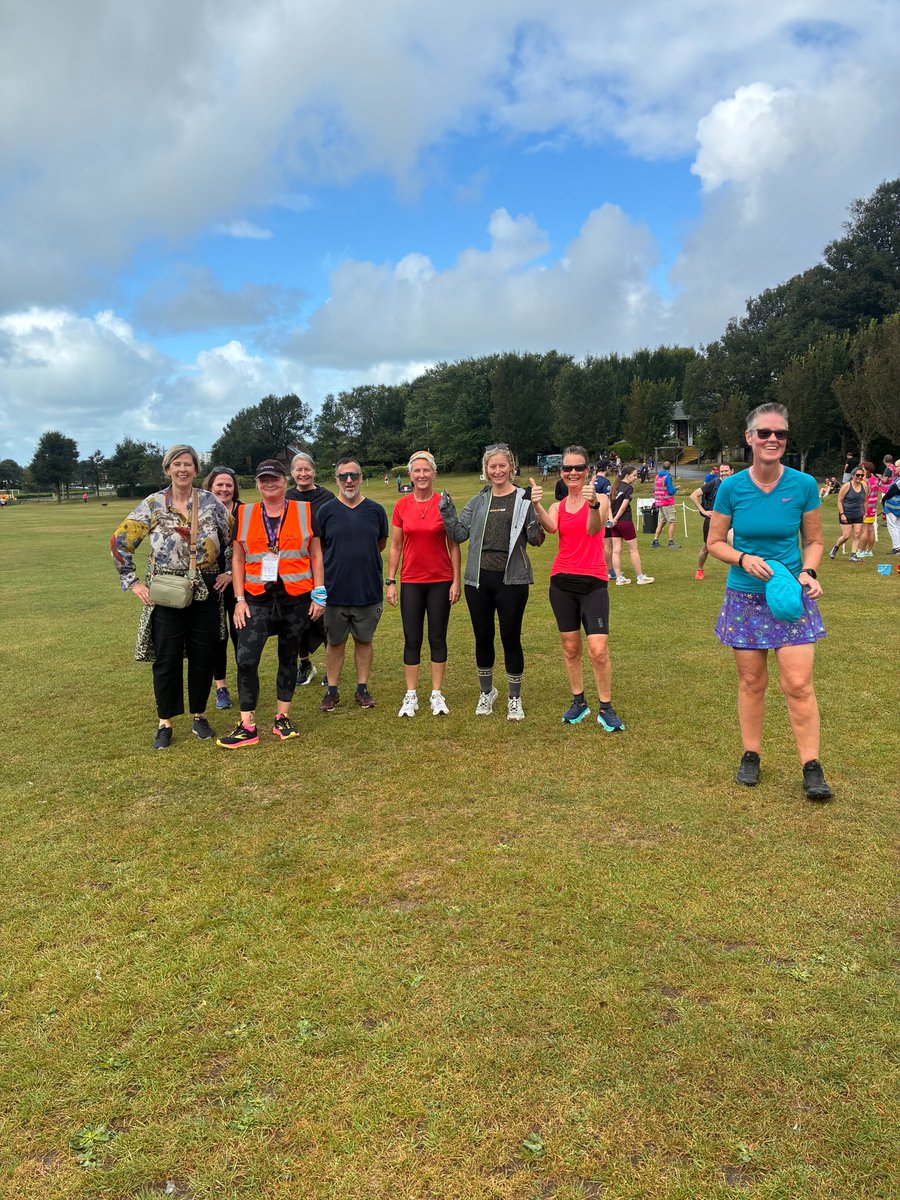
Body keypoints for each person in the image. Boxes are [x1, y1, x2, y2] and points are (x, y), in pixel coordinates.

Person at [707, 403, 832, 801]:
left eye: (780, 434)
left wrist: (808, 573)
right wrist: (743, 558)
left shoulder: (803, 484)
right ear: (749, 439)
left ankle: (811, 767)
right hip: (745, 597)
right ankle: (751, 755)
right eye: (764, 433)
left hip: (789, 596)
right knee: (751, 682)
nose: (772, 439)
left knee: (797, 683)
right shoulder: (731, 487)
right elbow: (714, 544)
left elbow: (813, 540)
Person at [111, 444, 230, 750]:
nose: (182, 469)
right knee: (167, 656)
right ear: (167, 470)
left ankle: (200, 715)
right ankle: (165, 721)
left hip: (204, 586)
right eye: (176, 464)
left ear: (196, 470)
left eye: (188, 464)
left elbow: (231, 540)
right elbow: (120, 541)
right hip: (166, 589)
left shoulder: (211, 502)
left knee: (204, 656)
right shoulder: (152, 504)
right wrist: (134, 583)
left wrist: (228, 572)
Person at [217, 460, 324, 748]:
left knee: (288, 658)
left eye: (274, 478)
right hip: (255, 599)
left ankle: (282, 717)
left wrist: (319, 592)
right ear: (257, 483)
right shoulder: (245, 513)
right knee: (246, 659)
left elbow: (315, 555)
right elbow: (238, 558)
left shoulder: (305, 511)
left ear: (285, 481)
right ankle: (247, 725)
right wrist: (239, 599)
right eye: (264, 479)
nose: (269, 483)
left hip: (295, 597)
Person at [440, 443, 544, 720]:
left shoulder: (524, 497)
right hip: (478, 580)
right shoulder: (478, 501)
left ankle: (514, 697)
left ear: (511, 466)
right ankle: (487, 692)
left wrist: (534, 512)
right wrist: (447, 511)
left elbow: (537, 540)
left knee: (511, 637)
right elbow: (459, 534)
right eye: (492, 466)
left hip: (512, 580)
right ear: (485, 470)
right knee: (483, 637)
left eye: (502, 465)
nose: (497, 471)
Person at [530, 448, 625, 730]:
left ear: (587, 471)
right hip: (562, 582)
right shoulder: (558, 506)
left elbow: (594, 530)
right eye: (567, 468)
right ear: (561, 472)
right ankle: (579, 701)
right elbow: (550, 528)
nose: (573, 473)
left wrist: (594, 505)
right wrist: (536, 506)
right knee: (571, 647)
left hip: (593, 582)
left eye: (579, 468)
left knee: (598, 649)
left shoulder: (602, 499)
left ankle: (605, 707)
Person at [386, 452, 461, 716]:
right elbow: (395, 546)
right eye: (417, 471)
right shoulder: (401, 505)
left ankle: (436, 694)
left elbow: (454, 545)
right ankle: (411, 695)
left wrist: (456, 581)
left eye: (426, 471)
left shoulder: (444, 504)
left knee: (437, 637)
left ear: (434, 474)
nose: (421, 475)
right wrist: (391, 580)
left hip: (440, 580)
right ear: (410, 475)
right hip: (411, 581)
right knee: (412, 638)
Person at [317, 459, 389, 712]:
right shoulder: (325, 511)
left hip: (367, 590)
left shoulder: (376, 510)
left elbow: (380, 543)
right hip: (335, 590)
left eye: (354, 475)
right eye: (344, 476)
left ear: (360, 478)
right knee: (335, 642)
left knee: (364, 640)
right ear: (336, 479)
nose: (349, 480)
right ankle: (332, 691)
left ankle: (362, 689)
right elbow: (322, 549)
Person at [286, 452, 335, 686]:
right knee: (298, 620)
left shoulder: (327, 497)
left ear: (314, 471)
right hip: (295, 568)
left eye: (307, 469)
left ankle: (331, 667)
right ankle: (305, 664)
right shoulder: (286, 498)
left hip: (323, 567)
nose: (303, 474)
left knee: (325, 618)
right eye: (298, 470)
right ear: (292, 473)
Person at [203, 466, 242, 709]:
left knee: (241, 634)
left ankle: (246, 681)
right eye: (219, 485)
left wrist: (230, 573)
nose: (224, 489)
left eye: (228, 485)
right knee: (217, 637)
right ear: (209, 487)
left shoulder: (245, 512)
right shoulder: (200, 511)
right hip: (210, 584)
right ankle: (222, 688)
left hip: (239, 582)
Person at [609, 465, 654, 585]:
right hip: (624, 522)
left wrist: (611, 520)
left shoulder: (614, 487)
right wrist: (616, 518)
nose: (636, 477)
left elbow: (609, 505)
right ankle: (640, 577)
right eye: (634, 475)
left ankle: (619, 578)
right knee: (633, 550)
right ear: (627, 476)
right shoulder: (628, 488)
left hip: (614, 524)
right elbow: (623, 506)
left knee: (616, 551)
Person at [691, 463, 733, 579]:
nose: (724, 473)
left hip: (731, 520)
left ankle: (738, 573)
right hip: (713, 521)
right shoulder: (714, 483)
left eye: (726, 471)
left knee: (736, 544)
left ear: (732, 471)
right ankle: (699, 569)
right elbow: (693, 495)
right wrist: (703, 511)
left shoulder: (735, 484)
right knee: (706, 548)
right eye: (722, 471)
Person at [828, 467, 867, 561]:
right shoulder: (846, 486)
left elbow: (865, 501)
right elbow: (839, 501)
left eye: (862, 475)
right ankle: (836, 547)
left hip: (858, 513)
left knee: (857, 534)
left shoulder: (864, 486)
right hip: (846, 513)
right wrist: (842, 514)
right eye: (858, 475)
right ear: (853, 476)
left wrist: (865, 512)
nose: (860, 477)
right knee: (846, 535)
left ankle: (853, 555)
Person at [650, 461, 680, 548]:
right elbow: (670, 491)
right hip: (667, 502)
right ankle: (671, 542)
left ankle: (655, 540)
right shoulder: (667, 477)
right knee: (672, 521)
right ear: (670, 468)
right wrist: (676, 488)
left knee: (662, 522)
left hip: (659, 502)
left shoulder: (657, 476)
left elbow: (654, 489)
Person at [859, 461, 879, 558]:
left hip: (866, 508)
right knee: (871, 530)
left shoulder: (864, 481)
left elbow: (863, 496)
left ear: (866, 470)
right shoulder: (874, 478)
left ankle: (861, 551)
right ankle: (869, 550)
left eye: (862, 469)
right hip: (873, 507)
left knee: (864, 530)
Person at [881, 474, 900, 553]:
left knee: (892, 527)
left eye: (897, 466)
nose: (896, 469)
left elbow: (892, 491)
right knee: (898, 526)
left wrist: (883, 499)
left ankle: (897, 547)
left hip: (893, 506)